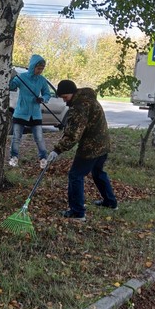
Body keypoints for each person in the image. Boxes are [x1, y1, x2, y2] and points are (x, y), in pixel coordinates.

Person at [46, 80, 118, 221]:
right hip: (103, 144)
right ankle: (110, 202)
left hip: (91, 148)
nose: (64, 101)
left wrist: (57, 150)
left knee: (75, 176)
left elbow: (74, 135)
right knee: (98, 172)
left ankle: (77, 212)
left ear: (72, 93)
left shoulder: (80, 106)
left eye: (65, 97)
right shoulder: (88, 99)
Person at [8, 54, 52, 169]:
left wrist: (43, 99)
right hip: (20, 112)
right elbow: (11, 85)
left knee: (39, 137)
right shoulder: (22, 77)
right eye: (38, 68)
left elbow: (47, 93)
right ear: (33, 67)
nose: (40, 71)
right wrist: (11, 76)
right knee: (16, 137)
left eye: (42, 69)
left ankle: (43, 158)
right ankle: (14, 157)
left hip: (35, 113)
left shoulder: (42, 80)